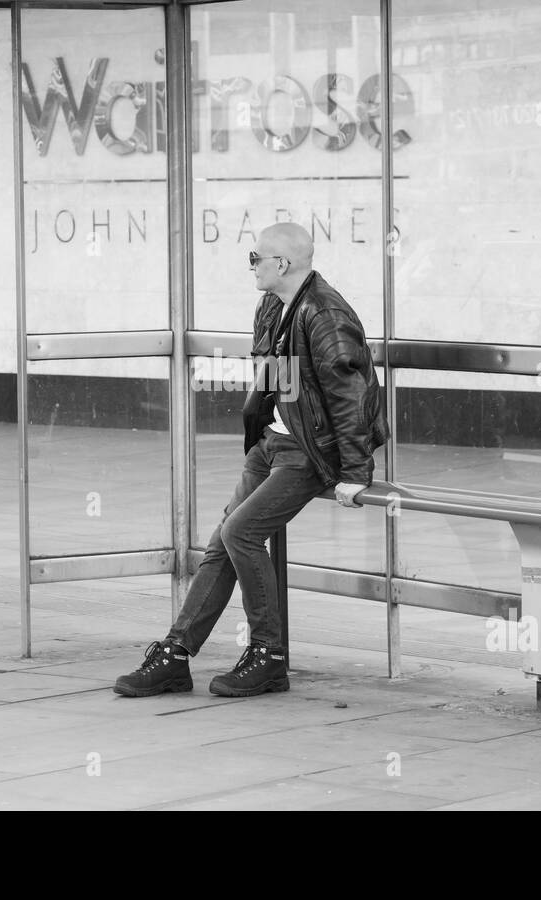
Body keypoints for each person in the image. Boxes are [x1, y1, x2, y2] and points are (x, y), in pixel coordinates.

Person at [114, 222, 387, 699]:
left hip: (308, 450)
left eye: (255, 258)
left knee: (240, 532)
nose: (251, 266)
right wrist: (261, 428)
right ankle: (177, 656)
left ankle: (268, 657)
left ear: (281, 264)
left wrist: (355, 473)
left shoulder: (324, 313)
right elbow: (273, 378)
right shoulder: (272, 306)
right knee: (223, 540)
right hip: (274, 443)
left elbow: (350, 393)